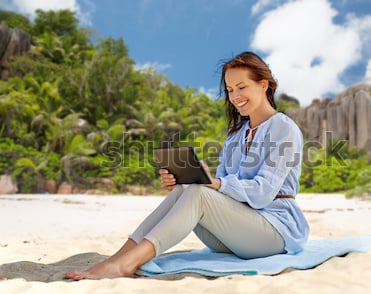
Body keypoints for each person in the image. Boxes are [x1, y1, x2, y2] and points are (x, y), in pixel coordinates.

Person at [65, 51, 309, 280]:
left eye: (242, 87)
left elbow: (264, 192)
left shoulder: (283, 128)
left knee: (198, 192)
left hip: (275, 233)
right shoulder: (236, 134)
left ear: (263, 84)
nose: (235, 96)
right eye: (230, 89)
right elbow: (222, 187)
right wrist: (191, 178)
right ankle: (117, 258)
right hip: (236, 234)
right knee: (188, 188)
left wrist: (214, 184)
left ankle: (128, 264)